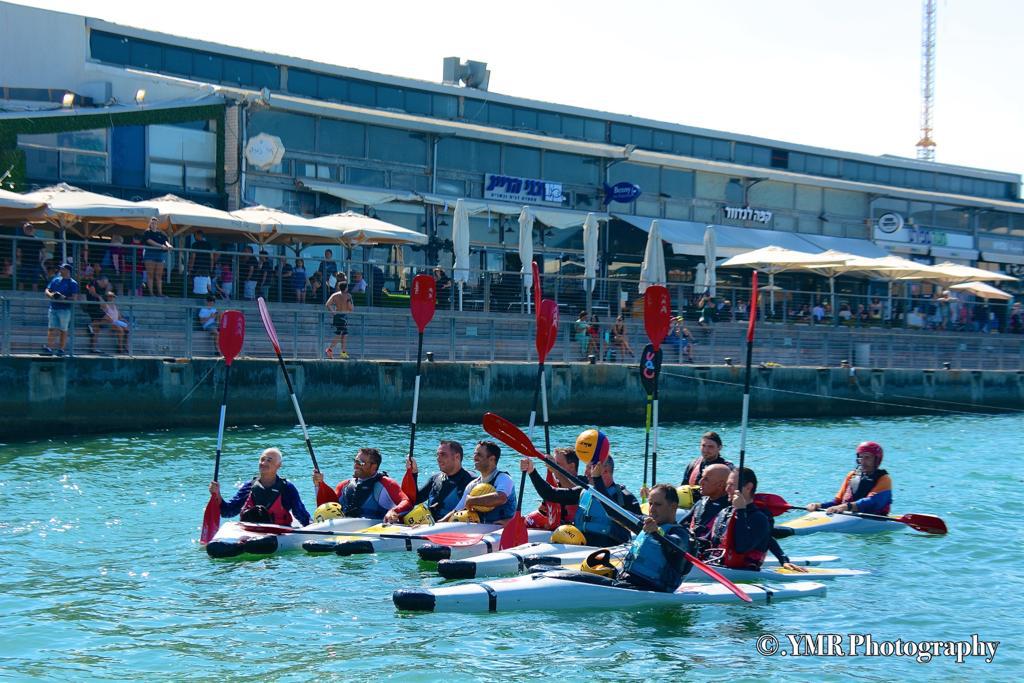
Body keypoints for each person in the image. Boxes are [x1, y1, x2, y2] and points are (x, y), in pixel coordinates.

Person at [521, 436, 642, 547]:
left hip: (612, 549)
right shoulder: (584, 491)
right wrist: (532, 471)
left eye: (590, 468)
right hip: (581, 547)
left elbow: (641, 529)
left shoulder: (624, 496)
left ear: (605, 471)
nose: (585, 473)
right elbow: (550, 494)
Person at [702, 467, 803, 572]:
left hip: (742, 570)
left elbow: (742, 547)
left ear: (748, 487)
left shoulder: (759, 518)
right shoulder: (725, 512)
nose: (727, 489)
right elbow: (711, 542)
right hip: (715, 564)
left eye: (731, 485)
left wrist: (740, 510)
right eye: (727, 484)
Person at [615, 484, 692, 592]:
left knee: (582, 579)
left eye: (658, 504)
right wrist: (597, 479)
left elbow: (676, 545)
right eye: (650, 503)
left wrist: (658, 532)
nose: (652, 509)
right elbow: (614, 512)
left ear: (673, 506)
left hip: (650, 588)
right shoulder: (647, 524)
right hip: (628, 582)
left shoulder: (680, 533)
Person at [209, 447, 311, 526]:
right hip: (250, 531)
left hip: (278, 532)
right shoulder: (249, 486)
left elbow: (300, 513)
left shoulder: (287, 488)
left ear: (279, 465)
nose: (264, 463)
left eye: (269, 460)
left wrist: (312, 526)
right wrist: (218, 494)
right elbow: (228, 512)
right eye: (262, 459)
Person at [313, 447, 411, 520]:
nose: (356, 465)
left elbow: (406, 502)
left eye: (361, 462)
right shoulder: (344, 486)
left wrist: (394, 511)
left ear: (374, 466)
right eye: (355, 461)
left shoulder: (387, 484)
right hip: (345, 531)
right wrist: (319, 485)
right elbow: (327, 507)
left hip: (376, 531)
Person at [806, 441, 892, 516]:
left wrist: (846, 506)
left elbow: (872, 502)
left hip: (875, 518)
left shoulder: (884, 479)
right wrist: (819, 506)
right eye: (860, 457)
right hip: (848, 515)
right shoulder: (852, 475)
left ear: (877, 460)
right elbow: (837, 502)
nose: (863, 461)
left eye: (867, 457)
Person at [441, 440, 517, 525]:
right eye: (475, 454)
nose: (475, 457)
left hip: (504, 530)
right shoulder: (473, 485)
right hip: (482, 531)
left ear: (492, 459)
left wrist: (472, 500)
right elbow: (457, 511)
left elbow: (501, 498)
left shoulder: (504, 479)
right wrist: (438, 524)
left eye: (479, 455)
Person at [404, 440, 475, 523]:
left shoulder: (471, 481)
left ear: (457, 457)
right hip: (430, 526)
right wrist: (413, 473)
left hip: (453, 529)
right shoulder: (435, 479)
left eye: (443, 455)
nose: (438, 459)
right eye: (437, 455)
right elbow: (414, 500)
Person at [522, 447, 581, 530]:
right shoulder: (555, 483)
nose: (552, 467)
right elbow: (544, 507)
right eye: (553, 463)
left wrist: (556, 469)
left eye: (557, 464)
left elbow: (574, 491)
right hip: (555, 528)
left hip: (573, 531)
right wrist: (530, 469)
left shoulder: (583, 483)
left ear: (571, 466)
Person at [678, 463, 731, 550]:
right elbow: (681, 525)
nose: (700, 482)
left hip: (707, 554)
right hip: (691, 548)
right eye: (702, 477)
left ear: (720, 485)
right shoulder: (700, 503)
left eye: (706, 479)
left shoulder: (727, 510)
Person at [44, 262, 79, 356]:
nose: (60, 270)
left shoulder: (73, 283)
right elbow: (47, 290)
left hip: (65, 310)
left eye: (62, 269)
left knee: (63, 330)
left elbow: (74, 298)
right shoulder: (56, 280)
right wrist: (51, 295)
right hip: (53, 308)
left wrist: (64, 298)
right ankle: (49, 348)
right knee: (51, 328)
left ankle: (61, 349)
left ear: (67, 271)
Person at [141, 217, 172, 296]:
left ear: (157, 224)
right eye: (152, 223)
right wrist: (160, 246)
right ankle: (151, 293)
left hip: (160, 255)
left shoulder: (161, 233)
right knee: (150, 274)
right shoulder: (147, 232)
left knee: (159, 275)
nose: (154, 224)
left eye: (155, 223)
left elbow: (165, 241)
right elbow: (149, 241)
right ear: (150, 224)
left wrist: (169, 245)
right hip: (149, 255)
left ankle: (160, 293)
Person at [83, 273, 113, 353]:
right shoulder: (93, 283)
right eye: (104, 284)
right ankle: (90, 325)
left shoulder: (103, 288)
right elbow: (92, 292)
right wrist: (99, 298)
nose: (105, 286)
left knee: (97, 329)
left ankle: (93, 348)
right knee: (110, 319)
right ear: (101, 281)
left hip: (98, 308)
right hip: (93, 307)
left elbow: (108, 293)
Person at [324, 278, 354, 359]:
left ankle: (343, 352)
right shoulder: (348, 296)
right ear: (346, 288)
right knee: (340, 334)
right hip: (344, 316)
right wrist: (349, 303)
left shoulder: (335, 295)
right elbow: (351, 308)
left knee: (344, 334)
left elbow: (327, 304)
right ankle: (329, 349)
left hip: (337, 315)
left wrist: (333, 312)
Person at [16, 223, 45, 292]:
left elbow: (18, 253)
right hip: (34, 263)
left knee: (21, 281)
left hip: (24, 263)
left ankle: (20, 297)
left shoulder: (21, 240)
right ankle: (34, 299)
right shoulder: (38, 240)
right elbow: (44, 254)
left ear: (24, 230)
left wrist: (19, 261)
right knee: (34, 283)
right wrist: (40, 261)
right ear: (33, 230)